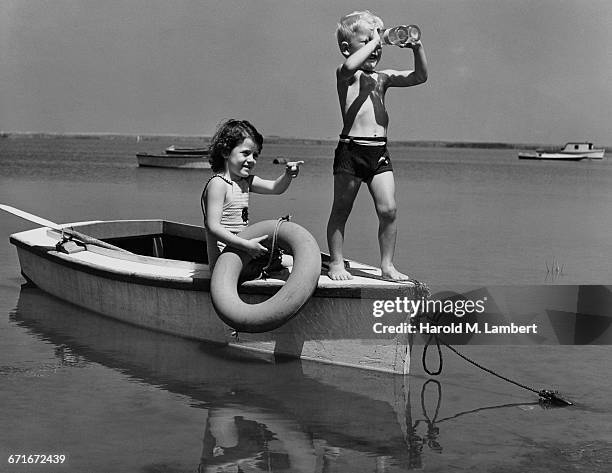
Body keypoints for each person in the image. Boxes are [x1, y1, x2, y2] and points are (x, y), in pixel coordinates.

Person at [326, 10, 428, 281]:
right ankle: (336, 262)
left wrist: (416, 48)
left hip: (379, 152)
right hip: (351, 151)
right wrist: (377, 38)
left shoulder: (382, 78)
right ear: (347, 48)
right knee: (341, 209)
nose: (375, 47)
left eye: (378, 44)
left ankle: (387, 265)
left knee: (389, 210)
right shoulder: (345, 74)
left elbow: (419, 77)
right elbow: (349, 67)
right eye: (367, 41)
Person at [201, 119, 303, 269]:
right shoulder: (218, 184)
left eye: (255, 155)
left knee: (297, 262)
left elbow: (275, 188)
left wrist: (288, 175)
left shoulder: (245, 181)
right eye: (246, 153)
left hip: (244, 253)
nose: (251, 160)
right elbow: (213, 227)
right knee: (291, 265)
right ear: (225, 152)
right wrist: (246, 245)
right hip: (224, 265)